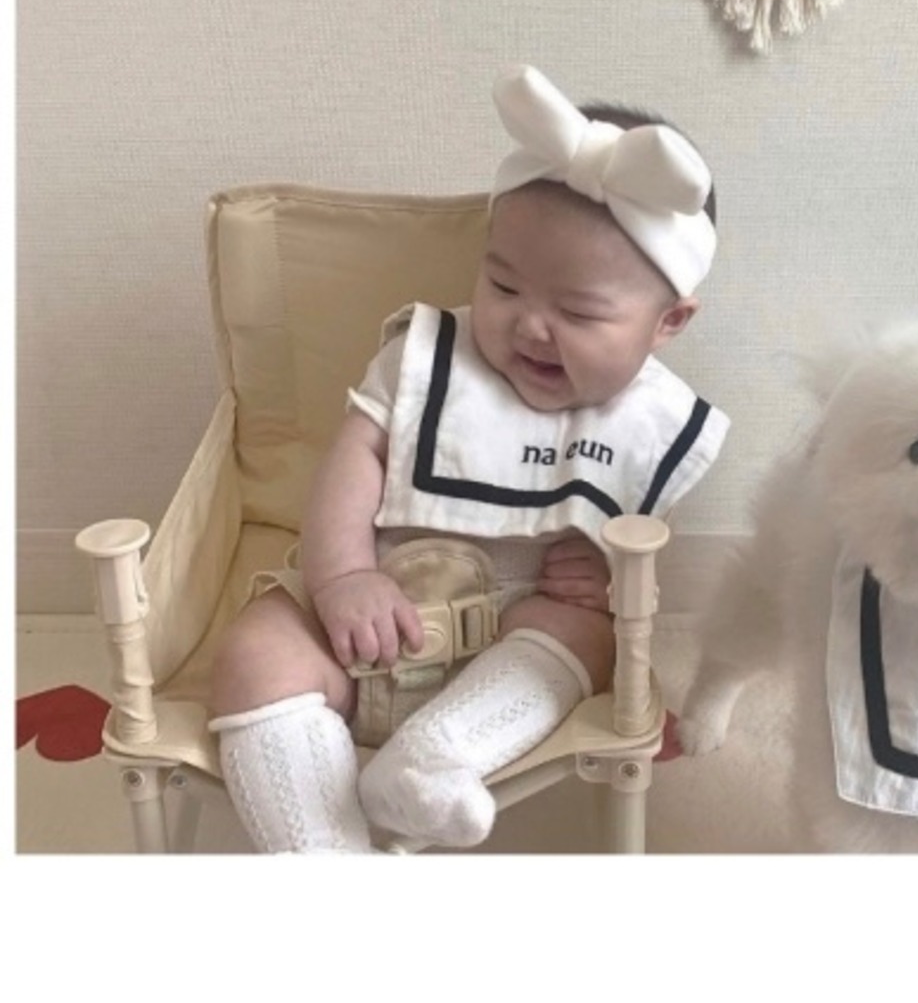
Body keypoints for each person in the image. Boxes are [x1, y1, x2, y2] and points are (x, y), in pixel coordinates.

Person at [207, 64, 729, 852]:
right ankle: (322, 850)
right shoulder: (428, 362)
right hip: (362, 623)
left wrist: (607, 577)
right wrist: (342, 578)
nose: (531, 326)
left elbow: (639, 544)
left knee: (593, 641)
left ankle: (430, 761)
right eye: (504, 286)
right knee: (255, 652)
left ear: (669, 322)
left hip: (507, 659)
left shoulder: (651, 421)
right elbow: (354, 460)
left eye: (579, 310)